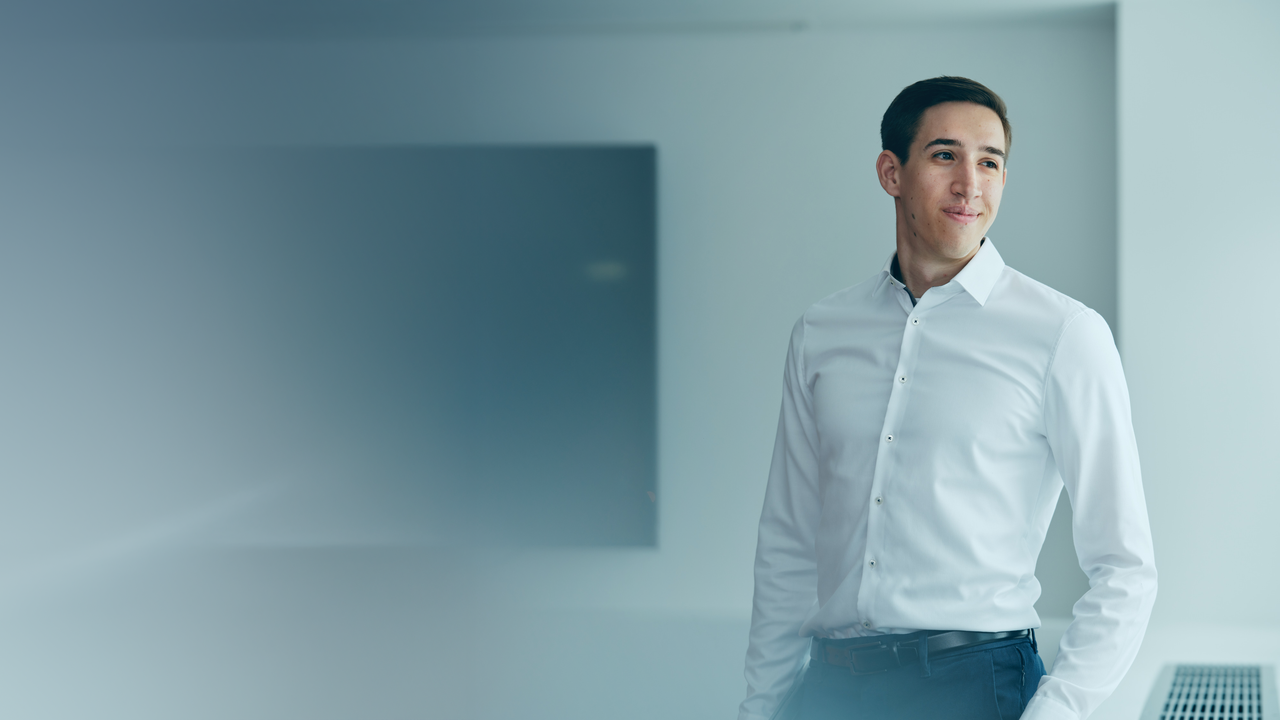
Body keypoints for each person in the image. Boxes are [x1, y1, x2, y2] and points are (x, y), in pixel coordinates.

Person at [738, 76, 1157, 720]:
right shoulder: (821, 333)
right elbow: (787, 543)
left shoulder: (1064, 334)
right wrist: (761, 707)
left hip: (975, 687)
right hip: (828, 688)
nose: (970, 184)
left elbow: (1125, 566)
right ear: (891, 172)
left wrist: (1057, 711)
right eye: (944, 156)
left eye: (990, 162)